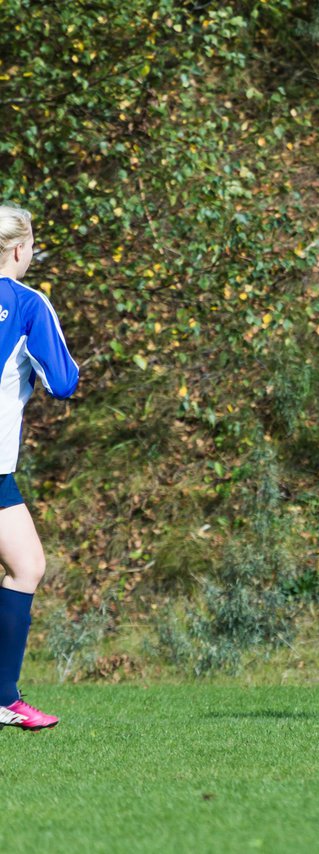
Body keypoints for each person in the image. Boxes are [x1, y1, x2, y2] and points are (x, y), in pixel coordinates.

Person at [0, 205, 80, 731]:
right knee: (26, 567)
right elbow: (63, 381)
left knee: (26, 564)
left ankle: (3, 696)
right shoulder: (28, 304)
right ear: (18, 250)